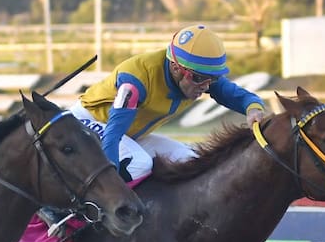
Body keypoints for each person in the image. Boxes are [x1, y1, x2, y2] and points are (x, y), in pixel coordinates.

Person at [72, 23, 267, 184]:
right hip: (86, 123)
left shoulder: (200, 75)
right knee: (138, 164)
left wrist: (254, 109)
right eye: (199, 78)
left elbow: (235, 94)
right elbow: (113, 136)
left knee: (190, 160)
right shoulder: (135, 81)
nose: (206, 86)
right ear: (175, 67)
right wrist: (108, 188)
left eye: (213, 79)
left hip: (131, 133)